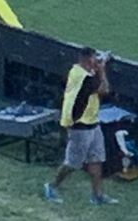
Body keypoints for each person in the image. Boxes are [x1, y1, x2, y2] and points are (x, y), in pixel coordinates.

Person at [43, 47, 118, 205]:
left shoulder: (85, 73)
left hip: (92, 123)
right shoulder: (81, 76)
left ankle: (97, 195)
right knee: (73, 163)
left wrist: (98, 66)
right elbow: (104, 89)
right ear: (87, 60)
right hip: (79, 125)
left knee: (96, 159)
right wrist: (102, 69)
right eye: (93, 59)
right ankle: (51, 186)